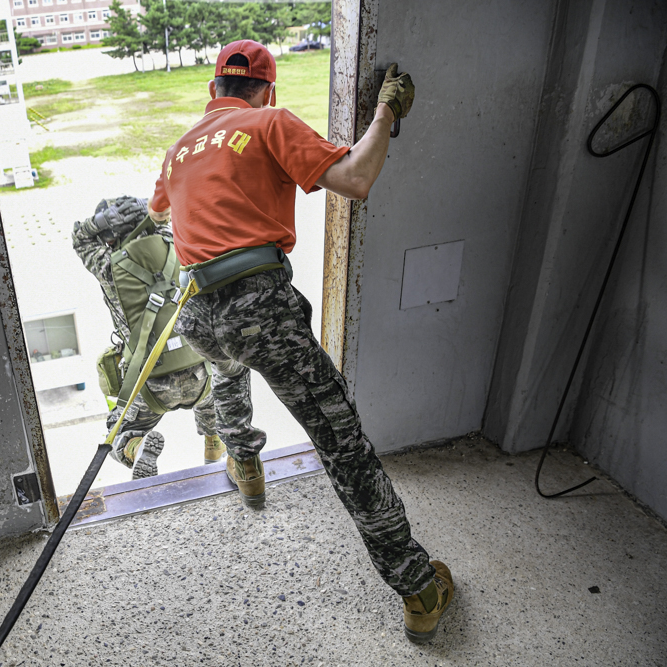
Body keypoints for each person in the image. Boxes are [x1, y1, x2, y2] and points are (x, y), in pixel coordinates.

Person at [148, 40, 453, 643]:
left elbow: (159, 213)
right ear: (269, 91)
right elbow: (355, 178)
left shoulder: (178, 148)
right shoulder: (269, 122)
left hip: (199, 310)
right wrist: (385, 113)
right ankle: (419, 587)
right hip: (258, 302)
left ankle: (246, 466)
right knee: (342, 444)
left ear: (213, 92)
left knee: (227, 367)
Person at [72, 196, 226, 479]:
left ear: (110, 237)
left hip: (149, 385)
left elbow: (79, 240)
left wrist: (100, 222)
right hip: (200, 372)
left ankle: (135, 446)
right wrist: (151, 209)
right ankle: (214, 444)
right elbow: (182, 211)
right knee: (215, 402)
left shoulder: (108, 267)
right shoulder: (177, 243)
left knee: (117, 429)